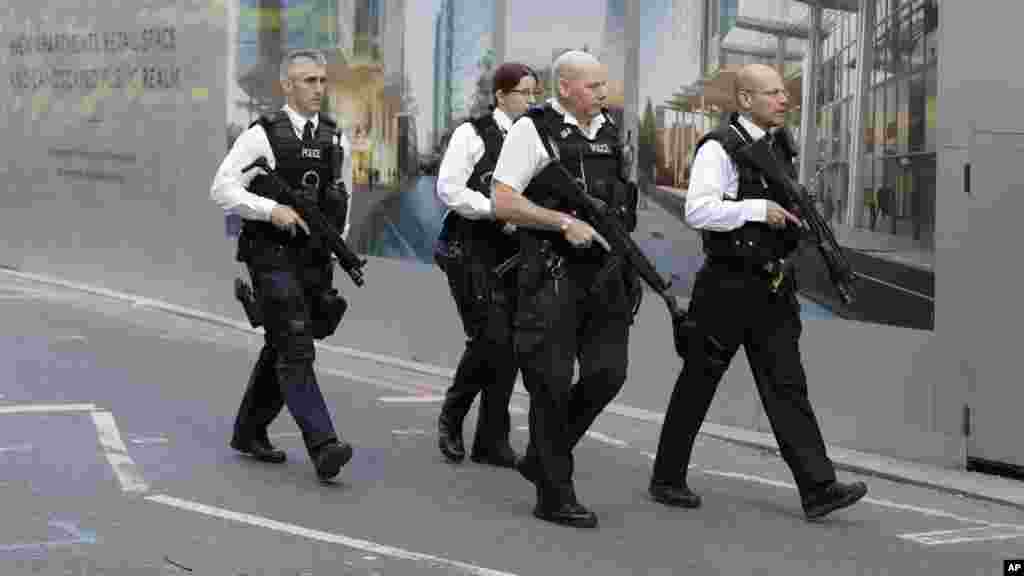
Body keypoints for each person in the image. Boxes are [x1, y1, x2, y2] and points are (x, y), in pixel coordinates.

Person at [647, 63, 867, 521]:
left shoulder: (779, 146)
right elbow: (699, 211)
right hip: (727, 284)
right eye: (772, 94)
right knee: (698, 381)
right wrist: (755, 209)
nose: (784, 100)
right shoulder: (720, 148)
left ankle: (818, 487)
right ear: (745, 100)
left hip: (773, 286)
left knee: (787, 386)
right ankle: (667, 477)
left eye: (784, 93)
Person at [490, 50, 642, 529]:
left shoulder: (611, 133)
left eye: (604, 85)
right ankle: (555, 493)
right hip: (553, 277)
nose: (602, 93)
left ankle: (540, 454)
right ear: (565, 89)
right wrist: (561, 222)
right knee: (551, 387)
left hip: (606, 278)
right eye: (593, 86)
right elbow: (503, 202)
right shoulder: (531, 131)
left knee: (607, 374)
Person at [210, 49, 355, 483]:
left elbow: (341, 197)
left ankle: (249, 431)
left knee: (283, 340)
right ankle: (324, 446)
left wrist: (336, 244)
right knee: (295, 346)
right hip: (270, 253)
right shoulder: (262, 136)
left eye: (321, 80)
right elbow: (221, 188)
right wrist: (269, 208)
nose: (317, 88)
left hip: (312, 257)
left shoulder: (335, 137)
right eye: (307, 81)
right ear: (287, 86)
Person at [434, 63, 540, 468]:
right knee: (489, 340)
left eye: (535, 94)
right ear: (501, 95)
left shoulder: (534, 139)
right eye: (524, 93)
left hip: (515, 255)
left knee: (510, 346)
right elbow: (449, 188)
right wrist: (496, 210)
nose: (531, 101)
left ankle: (492, 440)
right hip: (469, 250)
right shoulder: (472, 134)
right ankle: (452, 415)